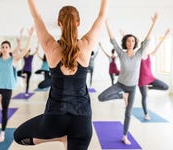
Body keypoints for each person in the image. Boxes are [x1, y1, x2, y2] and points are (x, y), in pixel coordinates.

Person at [14, 0, 108, 149]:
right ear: (78, 22)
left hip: (54, 120)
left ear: (59, 23)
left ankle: (60, 136)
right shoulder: (86, 45)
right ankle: (64, 137)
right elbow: (102, 16)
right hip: (82, 122)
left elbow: (36, 17)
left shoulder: (51, 47)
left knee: (19, 136)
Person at [98, 13, 158, 145]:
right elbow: (112, 39)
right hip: (120, 85)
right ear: (125, 43)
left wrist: (154, 22)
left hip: (132, 88)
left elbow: (147, 39)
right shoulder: (121, 53)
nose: (130, 42)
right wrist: (106, 22)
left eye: (132, 41)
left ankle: (125, 136)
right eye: (128, 40)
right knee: (101, 97)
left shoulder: (139, 54)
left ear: (135, 43)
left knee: (128, 113)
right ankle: (121, 96)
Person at [138, 29, 170, 120]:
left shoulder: (150, 55)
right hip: (142, 80)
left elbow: (158, 47)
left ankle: (149, 88)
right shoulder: (138, 57)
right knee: (144, 97)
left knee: (165, 87)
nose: (147, 48)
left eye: (147, 46)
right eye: (145, 46)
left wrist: (164, 36)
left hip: (151, 78)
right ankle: (146, 114)